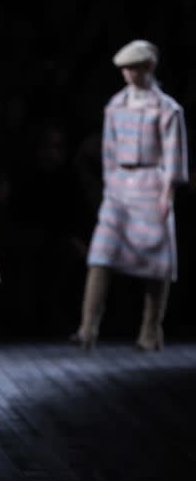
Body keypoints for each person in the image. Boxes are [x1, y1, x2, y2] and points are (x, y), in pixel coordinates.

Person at [72, 40, 187, 351]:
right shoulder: (116, 104)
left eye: (133, 68)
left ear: (148, 67)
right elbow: (109, 151)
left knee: (156, 262)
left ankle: (151, 331)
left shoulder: (167, 109)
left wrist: (168, 193)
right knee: (101, 254)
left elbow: (173, 155)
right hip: (120, 186)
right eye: (124, 68)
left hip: (151, 185)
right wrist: (109, 188)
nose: (127, 74)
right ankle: (87, 329)